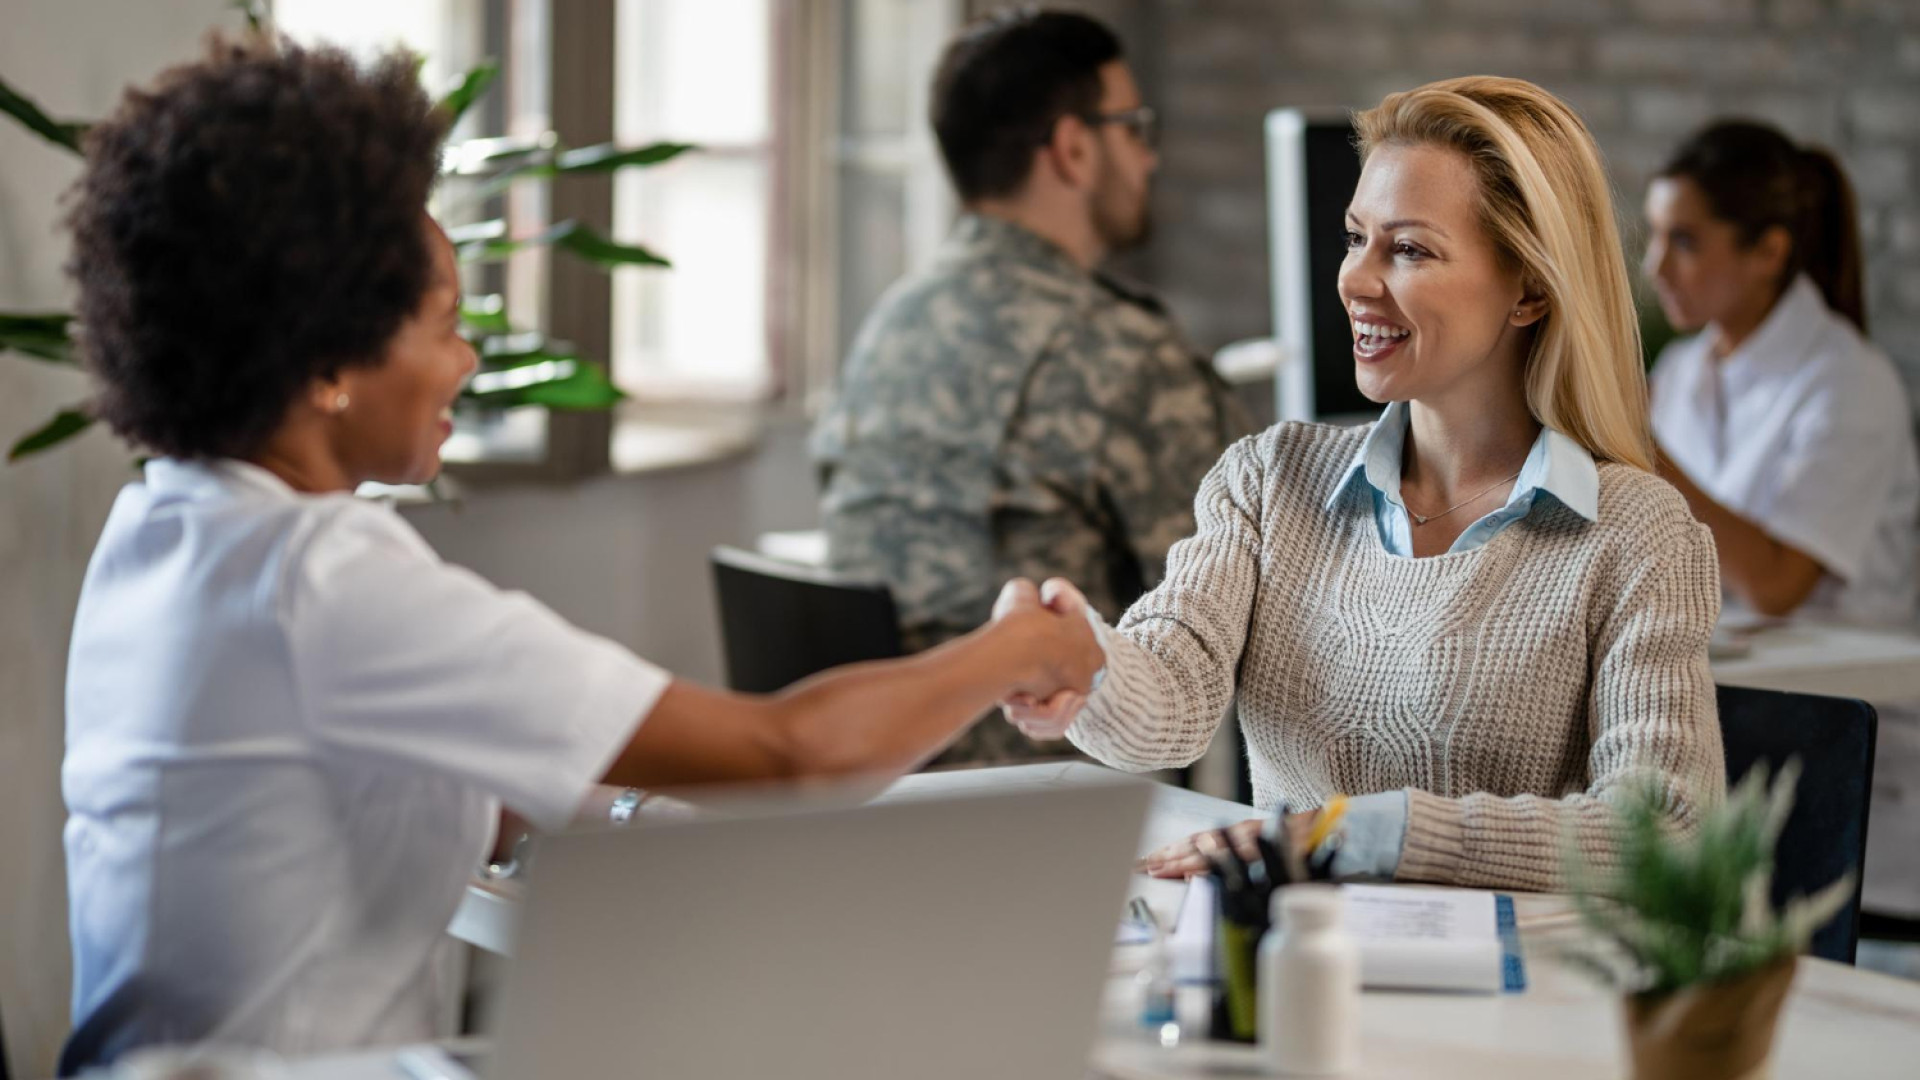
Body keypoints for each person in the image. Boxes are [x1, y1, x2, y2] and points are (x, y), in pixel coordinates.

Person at [56, 35, 1101, 1071]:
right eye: (443, 323)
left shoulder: (167, 524)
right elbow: (792, 752)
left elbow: (422, 788)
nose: (466, 359)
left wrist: (641, 814)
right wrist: (1019, 648)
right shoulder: (319, 573)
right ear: (331, 358)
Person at [1004, 77, 1726, 892]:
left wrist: (1354, 832)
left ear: (1528, 289)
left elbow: (1667, 832)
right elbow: (1172, 699)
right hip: (1296, 971)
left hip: (1519, 998)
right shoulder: (1269, 479)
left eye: (1409, 249)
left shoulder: (1635, 532)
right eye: (1355, 239)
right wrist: (1083, 664)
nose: (1354, 281)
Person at [808, 8, 1250, 766]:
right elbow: (1246, 616)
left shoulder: (894, 321)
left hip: (880, 779)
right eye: (1134, 127)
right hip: (1043, 803)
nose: (1148, 158)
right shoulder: (1121, 349)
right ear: (1075, 148)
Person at [1643, 120, 1919, 627]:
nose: (1654, 268)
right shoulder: (1681, 370)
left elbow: (1776, 587)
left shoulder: (1851, 383)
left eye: (1683, 241)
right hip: (1729, 681)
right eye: (1654, 236)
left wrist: (1638, 446)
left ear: (1769, 252)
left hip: (1843, 695)